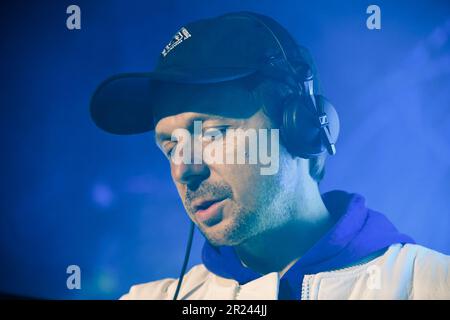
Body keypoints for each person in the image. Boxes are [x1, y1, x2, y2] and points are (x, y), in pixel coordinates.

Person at [90, 11, 450, 300]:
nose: (185, 169)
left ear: (303, 128)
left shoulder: (432, 285)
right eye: (170, 146)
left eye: (213, 133)